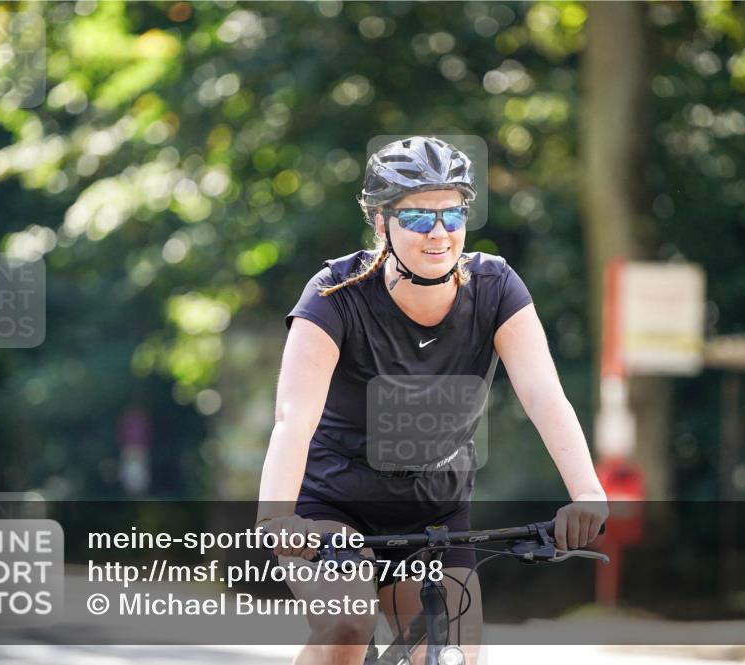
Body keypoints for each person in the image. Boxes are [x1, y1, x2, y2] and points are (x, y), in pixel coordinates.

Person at [256, 136, 608, 665]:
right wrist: (276, 517)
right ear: (382, 225)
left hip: (434, 514)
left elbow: (543, 394)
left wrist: (587, 492)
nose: (439, 232)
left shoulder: (496, 288)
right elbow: (293, 418)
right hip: (331, 508)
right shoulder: (335, 293)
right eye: (418, 218)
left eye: (452, 213)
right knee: (346, 628)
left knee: (450, 656)